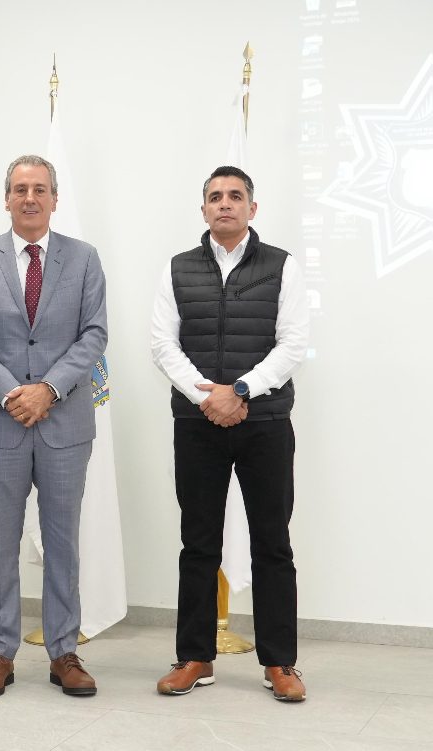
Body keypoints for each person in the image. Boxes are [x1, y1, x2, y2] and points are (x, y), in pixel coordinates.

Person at [150, 165, 309, 702]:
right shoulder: (178, 268)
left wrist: (240, 390)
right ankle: (195, 657)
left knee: (273, 543)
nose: (225, 204)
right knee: (198, 543)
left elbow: (292, 344)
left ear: (251, 208)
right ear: (203, 209)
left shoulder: (281, 266)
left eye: (235, 196)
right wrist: (208, 398)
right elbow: (163, 345)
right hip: (198, 425)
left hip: (265, 424)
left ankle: (280, 663)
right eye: (215, 196)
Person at [0, 154, 107, 698]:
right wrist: (12, 393)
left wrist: (49, 389)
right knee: (0, 543)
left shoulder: (84, 258)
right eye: (20, 189)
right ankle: (0, 651)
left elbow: (93, 334)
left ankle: (64, 652)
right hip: (0, 424)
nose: (30, 198)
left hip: (65, 423)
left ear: (55, 199)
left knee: (63, 543)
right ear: (7, 199)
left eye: (40, 189)